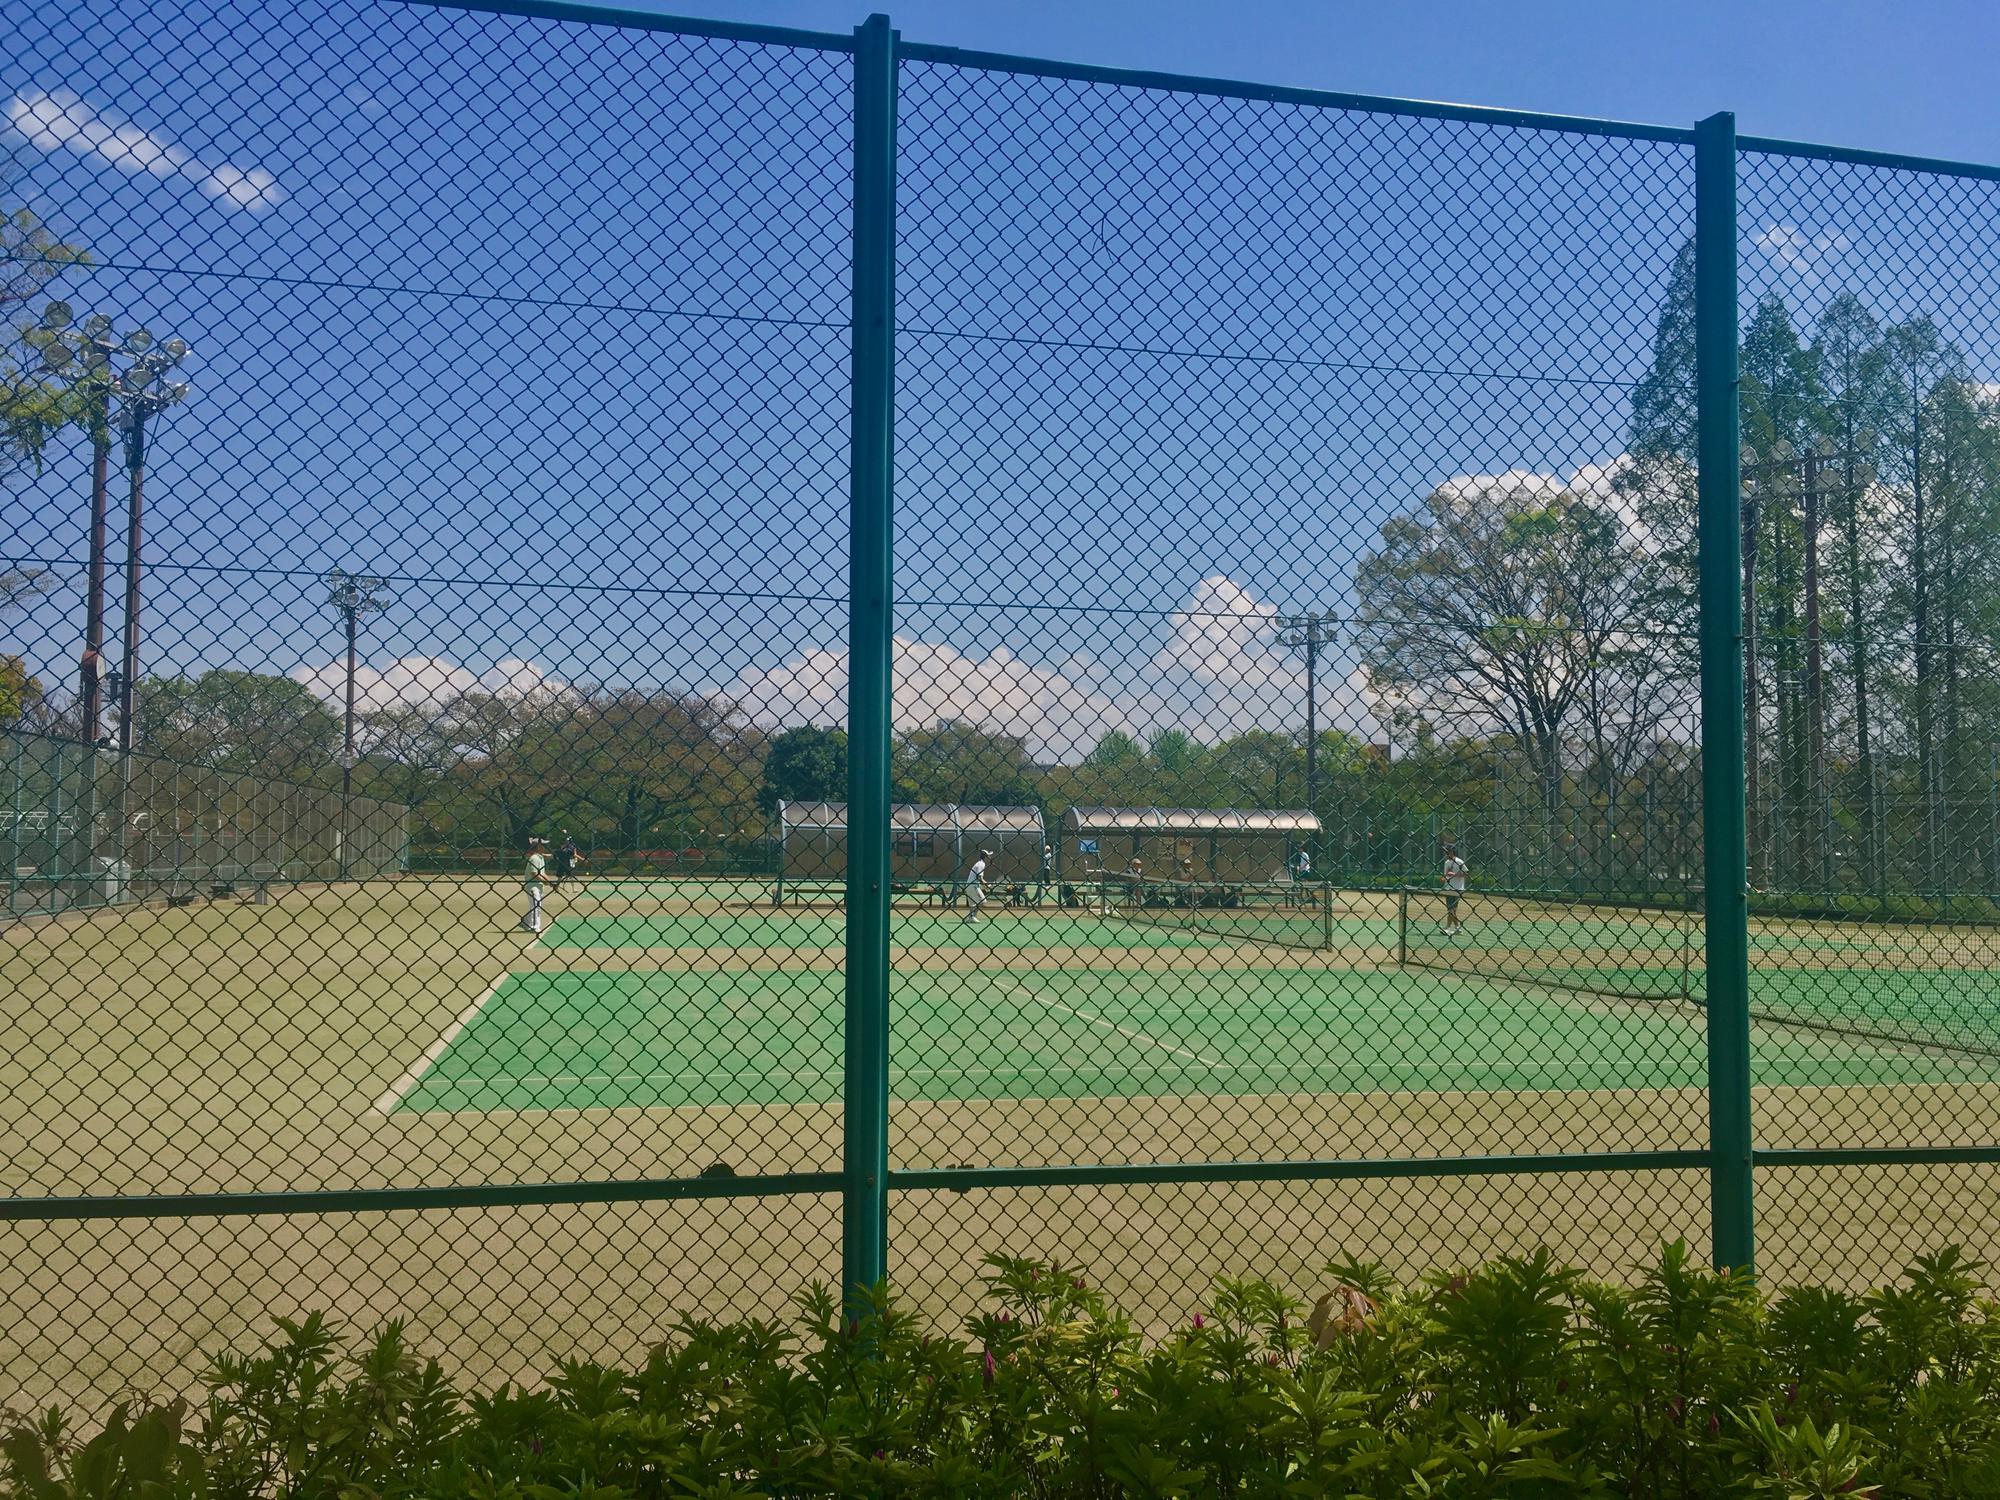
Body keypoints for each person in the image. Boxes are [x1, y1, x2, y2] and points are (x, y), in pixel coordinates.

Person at [523, 837, 550, 933]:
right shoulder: (534, 858)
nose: (545, 846)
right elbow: (535, 874)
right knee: (536, 906)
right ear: (538, 846)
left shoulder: (540, 857)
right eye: (543, 845)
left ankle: (525, 922)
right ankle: (535, 926)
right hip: (532, 886)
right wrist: (546, 882)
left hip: (539, 886)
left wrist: (550, 882)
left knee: (535, 905)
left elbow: (542, 873)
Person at [1440, 842, 1468, 935]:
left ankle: (1448, 927)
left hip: (1457, 889)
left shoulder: (1459, 861)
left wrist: (1455, 875)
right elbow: (1446, 875)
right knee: (1452, 909)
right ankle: (1457, 928)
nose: (1445, 853)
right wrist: (1444, 878)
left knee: (1452, 909)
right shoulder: (1447, 862)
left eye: (1447, 851)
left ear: (1452, 851)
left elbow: (1466, 874)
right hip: (1448, 889)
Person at [962, 847, 992, 923]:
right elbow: (979, 878)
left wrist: (985, 884)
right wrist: (987, 885)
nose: (990, 857)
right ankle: (972, 916)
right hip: (973, 886)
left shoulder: (979, 863)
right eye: (988, 855)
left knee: (973, 903)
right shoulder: (981, 864)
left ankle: (970, 917)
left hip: (969, 885)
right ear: (985, 856)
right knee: (983, 901)